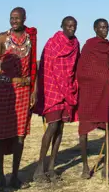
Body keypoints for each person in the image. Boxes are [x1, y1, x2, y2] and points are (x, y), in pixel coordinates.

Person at [0, 8, 37, 190]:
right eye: (11, 18)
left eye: (17, 18)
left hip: (23, 91)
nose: (14, 21)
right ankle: (1, 177)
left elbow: (33, 67)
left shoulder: (31, 38)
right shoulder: (1, 38)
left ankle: (14, 176)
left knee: (19, 135)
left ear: (24, 18)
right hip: (4, 90)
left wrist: (34, 90)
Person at [33, 16, 80, 182]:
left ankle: (52, 167)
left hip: (67, 89)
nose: (71, 29)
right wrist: (40, 91)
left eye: (74, 26)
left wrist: (72, 86)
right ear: (62, 26)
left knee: (60, 128)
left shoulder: (75, 44)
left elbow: (75, 67)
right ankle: (39, 168)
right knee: (52, 126)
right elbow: (44, 68)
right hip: (53, 89)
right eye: (68, 26)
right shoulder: (52, 43)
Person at [77, 19, 109, 179]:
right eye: (101, 27)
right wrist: (97, 78)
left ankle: (106, 167)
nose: (104, 30)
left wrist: (107, 80)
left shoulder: (108, 46)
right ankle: (85, 166)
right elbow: (82, 69)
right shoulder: (89, 46)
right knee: (84, 130)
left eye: (106, 27)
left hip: (105, 93)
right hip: (88, 93)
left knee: (108, 128)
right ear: (95, 29)